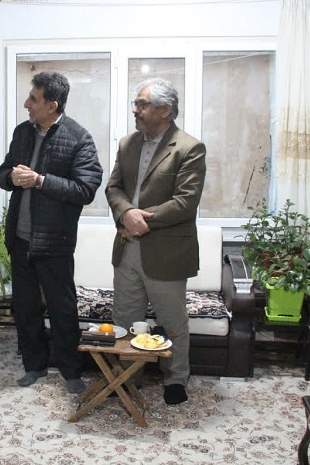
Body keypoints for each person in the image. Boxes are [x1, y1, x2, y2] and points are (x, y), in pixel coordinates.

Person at [0, 71, 103, 395]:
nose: (26, 104)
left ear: (52, 105)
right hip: (20, 240)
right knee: (25, 307)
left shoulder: (79, 138)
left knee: (62, 309)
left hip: (55, 243)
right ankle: (34, 366)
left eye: (33, 98)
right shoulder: (22, 133)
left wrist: (40, 181)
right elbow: (3, 174)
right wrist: (11, 178)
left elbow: (85, 189)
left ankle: (71, 370)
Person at [105, 77, 206, 405]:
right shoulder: (127, 144)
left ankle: (175, 378)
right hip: (126, 247)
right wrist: (125, 213)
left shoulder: (189, 148)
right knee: (125, 319)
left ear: (165, 110)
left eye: (142, 104)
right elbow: (113, 188)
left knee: (171, 321)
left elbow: (185, 202)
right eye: (135, 104)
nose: (135, 110)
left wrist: (140, 221)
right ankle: (127, 377)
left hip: (166, 250)